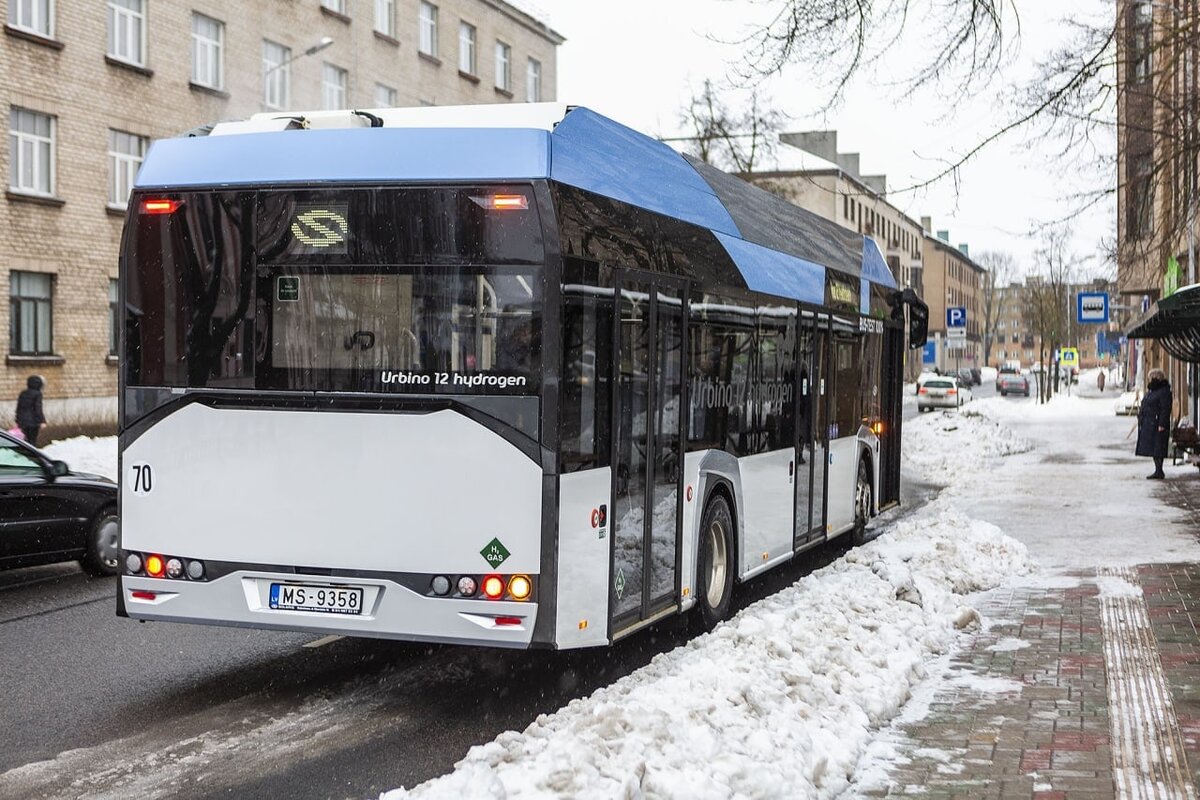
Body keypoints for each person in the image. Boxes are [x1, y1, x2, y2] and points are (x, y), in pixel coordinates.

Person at [1136, 368, 1172, 479]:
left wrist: (1162, 423)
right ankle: (1157, 470)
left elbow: (1165, 409)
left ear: (1157, 378)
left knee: (1158, 448)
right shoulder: (1153, 390)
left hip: (1157, 424)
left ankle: (1159, 470)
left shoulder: (1163, 391)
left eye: (1151, 377)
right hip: (1150, 423)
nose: (1150, 380)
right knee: (1154, 447)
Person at [15, 375, 46, 448]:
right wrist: (42, 421)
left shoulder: (23, 393)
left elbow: (19, 407)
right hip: (33, 422)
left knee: (24, 440)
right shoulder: (38, 394)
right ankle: (32, 456)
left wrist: (18, 420)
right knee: (32, 441)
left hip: (22, 421)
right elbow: (38, 408)